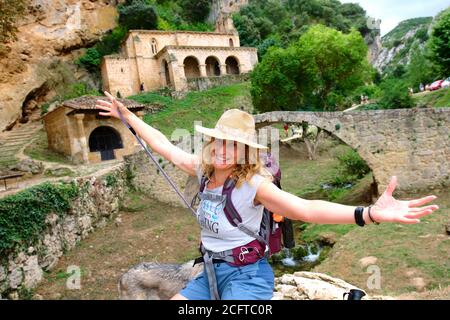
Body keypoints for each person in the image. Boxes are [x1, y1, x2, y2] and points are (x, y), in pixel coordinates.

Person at [95, 91, 439, 300]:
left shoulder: (255, 185)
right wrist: (127, 117)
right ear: (211, 143)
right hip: (209, 272)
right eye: (220, 141)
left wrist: (368, 214)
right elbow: (164, 146)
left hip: (247, 276)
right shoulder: (202, 170)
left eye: (236, 145)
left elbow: (304, 208)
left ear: (246, 152)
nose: (226, 150)